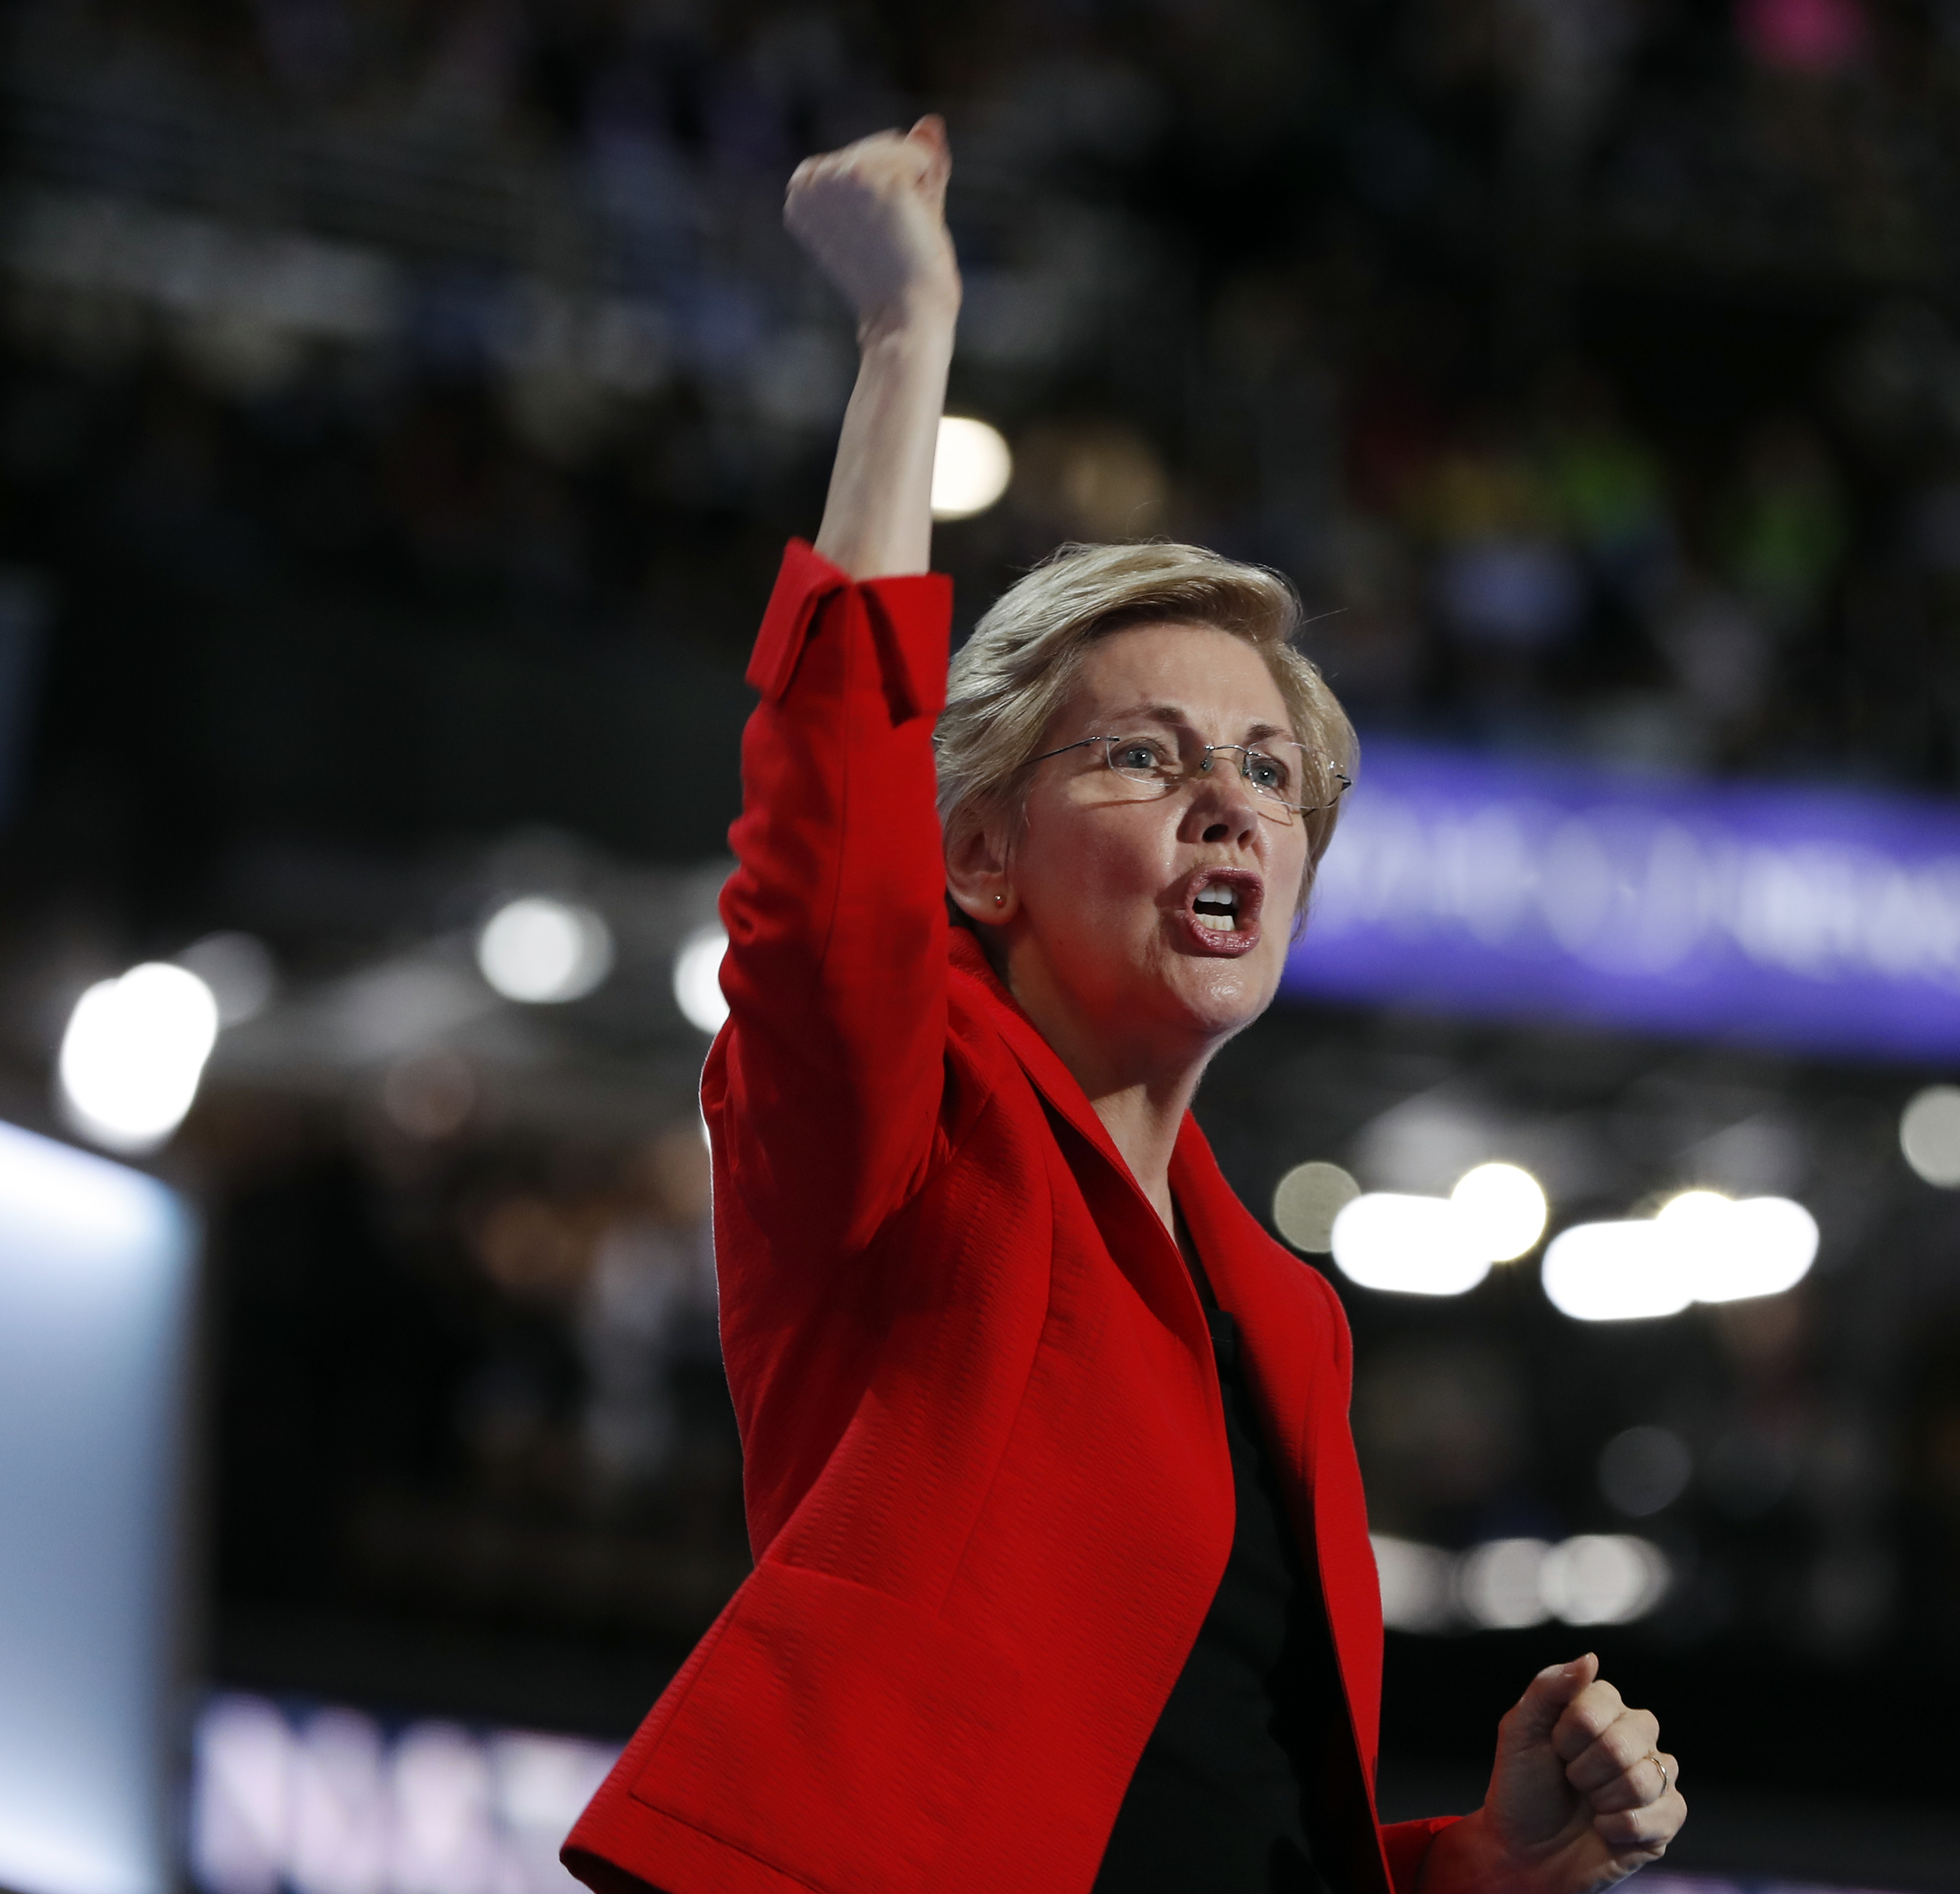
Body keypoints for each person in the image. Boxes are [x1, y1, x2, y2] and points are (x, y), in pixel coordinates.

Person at [562, 116, 1687, 1894]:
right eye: (1146, 757)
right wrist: (902, 338)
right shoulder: (906, 1133)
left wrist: (1483, 1860)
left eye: (1266, 771)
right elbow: (825, 853)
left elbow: (1218, 1827)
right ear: (986, 856)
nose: (1231, 800)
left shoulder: (1289, 1325)